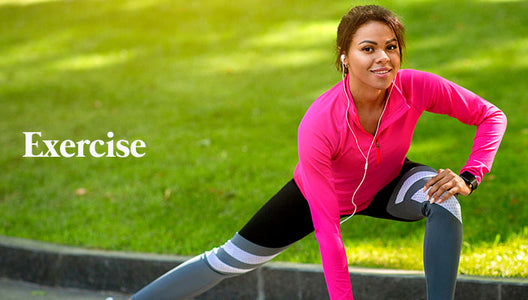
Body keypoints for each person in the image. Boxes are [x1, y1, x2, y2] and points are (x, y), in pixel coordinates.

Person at [129, 5, 506, 300]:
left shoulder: (415, 87)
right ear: (345, 56)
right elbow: (329, 233)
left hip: (388, 182)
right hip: (319, 196)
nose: (383, 59)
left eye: (391, 47)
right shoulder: (319, 124)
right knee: (229, 260)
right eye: (368, 49)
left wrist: (471, 174)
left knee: (444, 202)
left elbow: (490, 115)